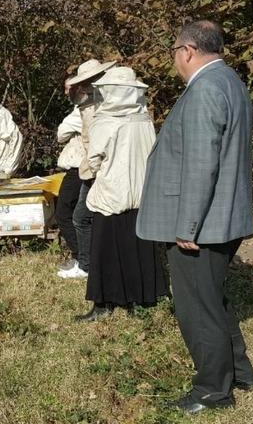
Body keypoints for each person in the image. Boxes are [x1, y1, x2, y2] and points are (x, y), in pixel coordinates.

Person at [136, 20, 253, 413]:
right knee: (211, 299)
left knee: (197, 310)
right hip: (221, 216)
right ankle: (239, 372)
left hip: (201, 224)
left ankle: (212, 391)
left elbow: (202, 163)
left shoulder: (205, 88)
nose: (174, 60)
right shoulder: (230, 81)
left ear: (187, 50)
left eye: (174, 51)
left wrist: (187, 225)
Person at [75, 66, 168, 321]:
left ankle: (103, 304)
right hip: (140, 194)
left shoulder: (104, 121)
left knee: (104, 250)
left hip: (111, 193)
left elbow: (93, 159)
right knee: (136, 247)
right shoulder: (144, 120)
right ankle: (140, 300)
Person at [57, 59, 116, 279]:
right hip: (93, 168)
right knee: (87, 216)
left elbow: (66, 135)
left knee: (79, 216)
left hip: (93, 169)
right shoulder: (89, 106)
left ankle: (86, 264)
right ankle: (90, 261)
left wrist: (94, 170)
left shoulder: (96, 107)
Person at [54, 105, 84, 271]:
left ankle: (80, 257)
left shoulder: (84, 109)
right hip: (92, 168)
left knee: (64, 213)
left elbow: (61, 134)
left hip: (79, 168)